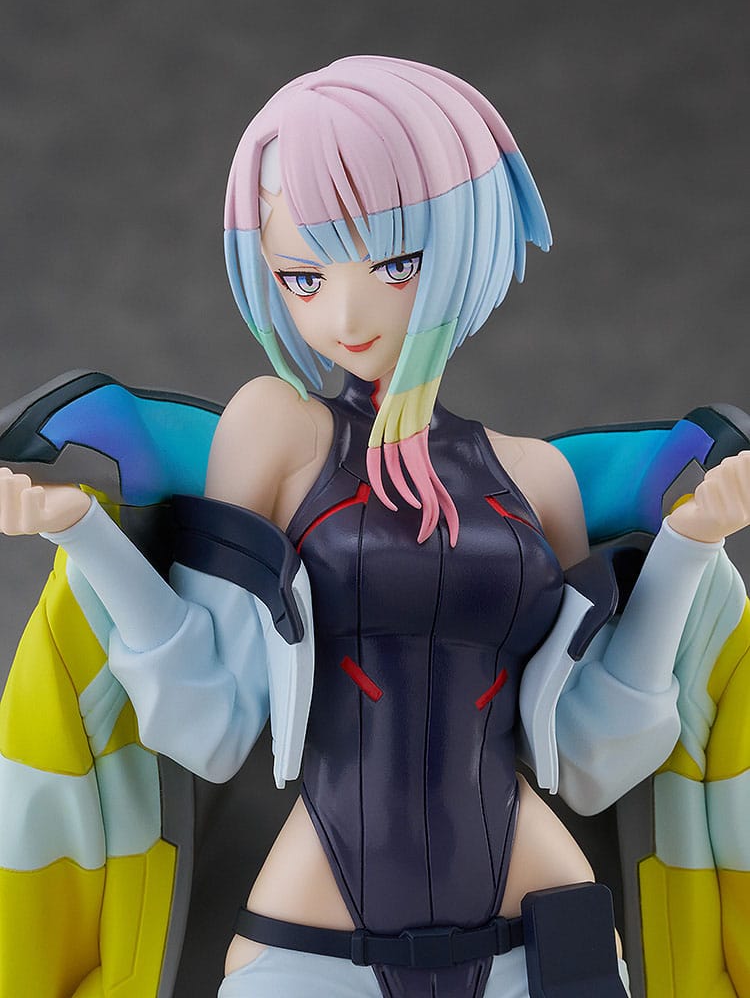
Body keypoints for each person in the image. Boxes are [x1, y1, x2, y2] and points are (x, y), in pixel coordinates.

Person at [1, 56, 749, 998]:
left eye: (396, 263)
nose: (348, 313)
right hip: (314, 935)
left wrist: (687, 551)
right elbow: (215, 719)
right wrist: (85, 536)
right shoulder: (276, 431)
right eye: (303, 276)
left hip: (542, 929)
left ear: (467, 237)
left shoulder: (537, 476)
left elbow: (596, 752)